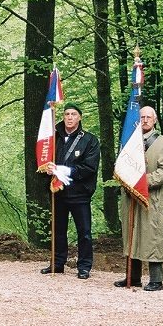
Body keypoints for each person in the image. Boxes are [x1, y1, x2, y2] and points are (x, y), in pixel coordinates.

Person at [115, 105, 163, 291]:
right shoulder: (129, 141)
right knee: (131, 233)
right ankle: (132, 277)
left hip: (152, 197)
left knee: (153, 236)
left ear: (155, 120)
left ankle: (156, 280)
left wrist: (143, 181)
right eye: (142, 117)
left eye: (149, 117)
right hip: (130, 196)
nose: (145, 120)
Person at [40, 103, 100, 279]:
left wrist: (66, 171)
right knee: (58, 230)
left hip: (80, 192)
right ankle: (57, 263)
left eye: (74, 114)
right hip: (58, 192)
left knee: (84, 232)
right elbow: (44, 159)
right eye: (67, 114)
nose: (70, 117)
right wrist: (48, 169)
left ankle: (84, 266)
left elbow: (90, 167)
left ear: (80, 117)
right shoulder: (54, 138)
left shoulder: (90, 140)